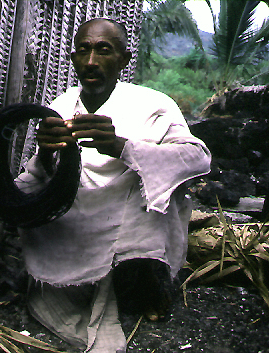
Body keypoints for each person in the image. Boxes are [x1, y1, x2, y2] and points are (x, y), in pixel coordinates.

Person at [16, 18, 211, 351]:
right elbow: (40, 174)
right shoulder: (60, 106)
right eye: (84, 51)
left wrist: (121, 147)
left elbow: (198, 158)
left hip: (128, 215)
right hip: (76, 215)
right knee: (25, 193)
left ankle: (146, 282)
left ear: (123, 58)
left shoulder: (154, 104)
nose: (91, 61)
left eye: (103, 50)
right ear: (74, 58)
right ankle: (80, 278)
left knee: (149, 185)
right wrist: (47, 153)